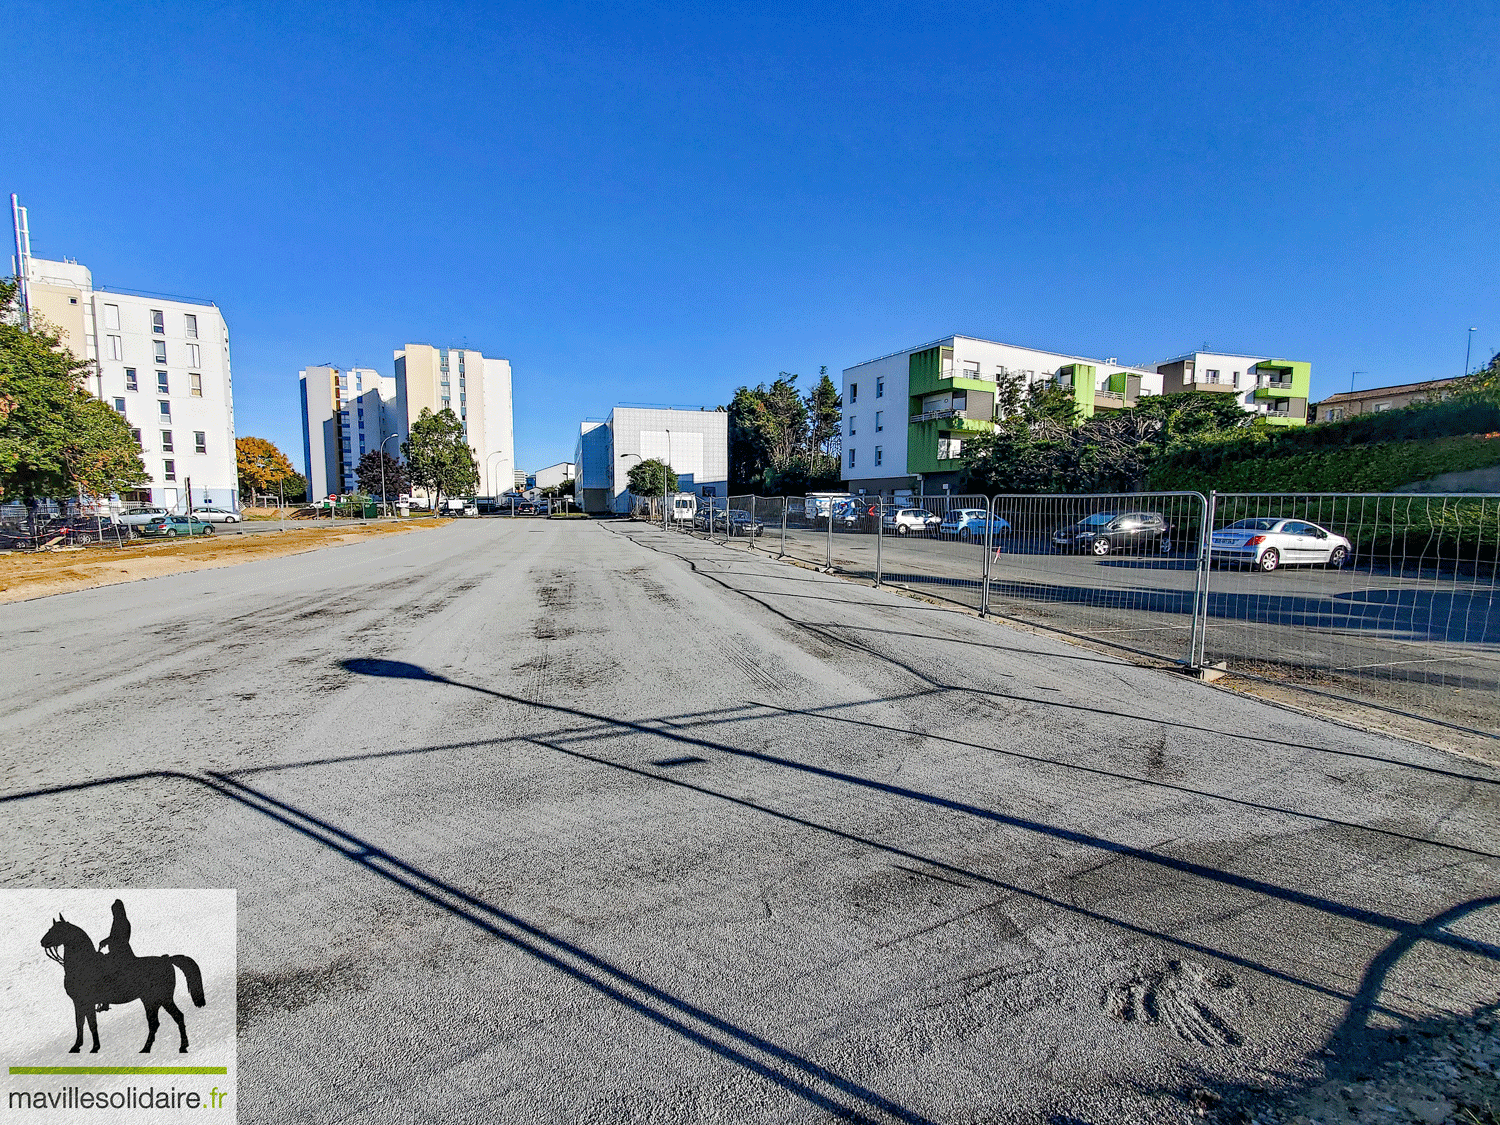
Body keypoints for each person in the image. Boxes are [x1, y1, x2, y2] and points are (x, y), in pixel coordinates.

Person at [95, 899, 134, 1011]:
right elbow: (113, 937)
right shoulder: (118, 921)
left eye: (115, 911)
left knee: (105, 970)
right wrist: (106, 941)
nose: (113, 914)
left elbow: (119, 938)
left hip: (121, 953)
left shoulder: (122, 922)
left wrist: (107, 941)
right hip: (116, 952)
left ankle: (105, 1000)